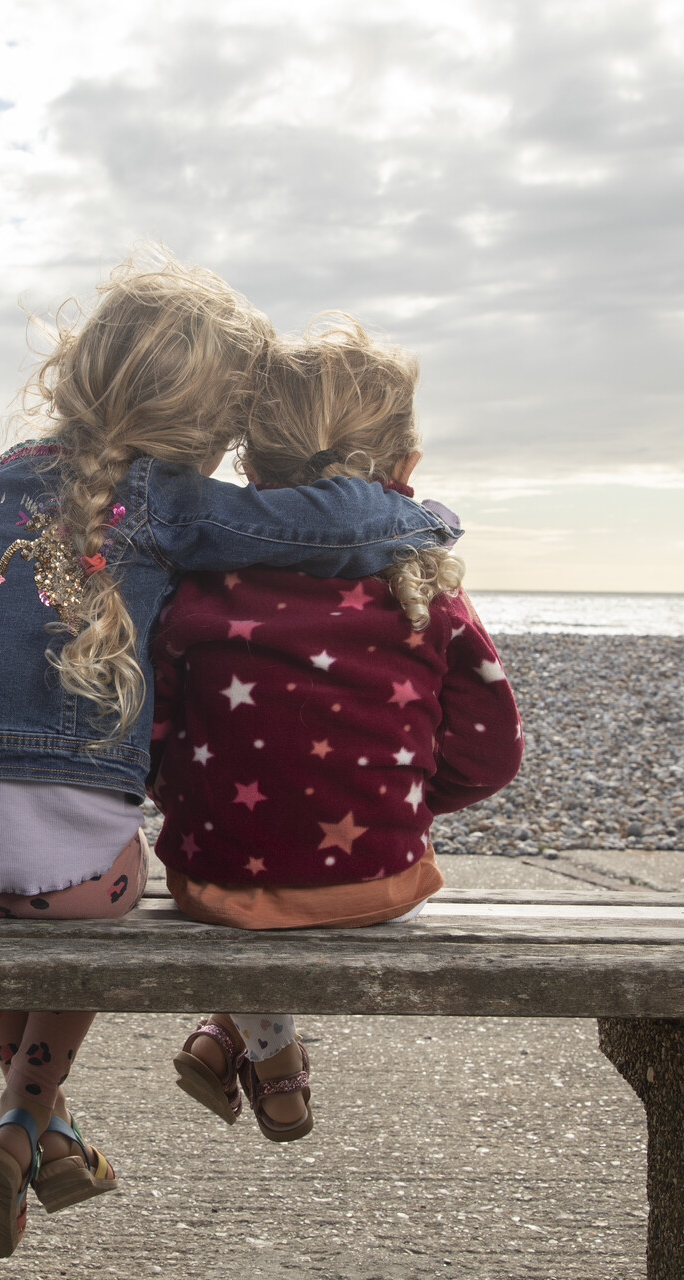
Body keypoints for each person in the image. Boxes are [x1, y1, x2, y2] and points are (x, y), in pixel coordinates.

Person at [0, 257, 459, 1258]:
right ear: (202, 426)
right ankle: (26, 1116)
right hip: (72, 885)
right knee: (81, 882)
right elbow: (320, 531)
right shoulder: (163, 498)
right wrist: (425, 520)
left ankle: (40, 1127)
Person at [150, 315, 523, 1142]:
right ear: (407, 467)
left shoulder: (202, 588)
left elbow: (152, 741)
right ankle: (252, 1046)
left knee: (258, 880)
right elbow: (493, 757)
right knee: (292, 876)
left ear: (248, 465)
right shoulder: (427, 595)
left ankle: (252, 1043)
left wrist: (220, 795)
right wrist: (402, 795)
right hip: (375, 882)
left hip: (214, 884)